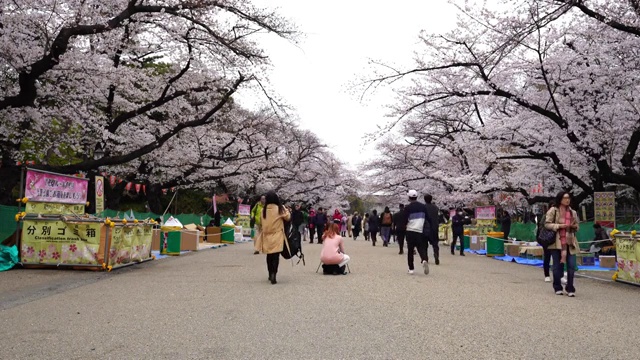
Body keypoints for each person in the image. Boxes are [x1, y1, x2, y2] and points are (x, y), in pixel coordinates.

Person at [545, 191, 580, 297]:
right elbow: (547, 224)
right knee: (557, 266)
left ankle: (570, 287)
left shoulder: (573, 212)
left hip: (570, 241)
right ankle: (557, 286)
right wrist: (559, 226)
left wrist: (574, 226)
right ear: (560, 199)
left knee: (571, 266)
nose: (567, 200)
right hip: (557, 241)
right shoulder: (553, 210)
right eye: (565, 198)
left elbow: (577, 226)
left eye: (568, 198)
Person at [255, 191, 291, 285]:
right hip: (277, 234)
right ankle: (274, 274)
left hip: (267, 235)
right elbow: (288, 217)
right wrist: (286, 209)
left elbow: (260, 221)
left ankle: (270, 273)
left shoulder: (264, 210)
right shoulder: (279, 208)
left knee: (269, 256)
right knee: (276, 256)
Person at [402, 190, 430, 275]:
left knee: (410, 250)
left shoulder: (407, 208)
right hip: (419, 230)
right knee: (420, 248)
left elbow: (404, 220)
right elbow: (427, 218)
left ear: (409, 198)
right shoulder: (423, 207)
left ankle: (411, 269)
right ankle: (424, 259)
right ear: (416, 197)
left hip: (410, 230)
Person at [538, 201, 555, 282]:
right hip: (547, 239)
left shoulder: (560, 216)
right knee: (547, 256)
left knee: (557, 258)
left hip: (557, 238)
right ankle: (547, 274)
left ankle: (558, 275)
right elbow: (541, 226)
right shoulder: (546, 216)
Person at [424, 194, 440, 265]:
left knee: (424, 244)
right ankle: (436, 255)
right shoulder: (436, 207)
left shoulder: (423, 207)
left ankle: (425, 258)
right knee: (435, 244)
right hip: (434, 227)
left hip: (425, 228)